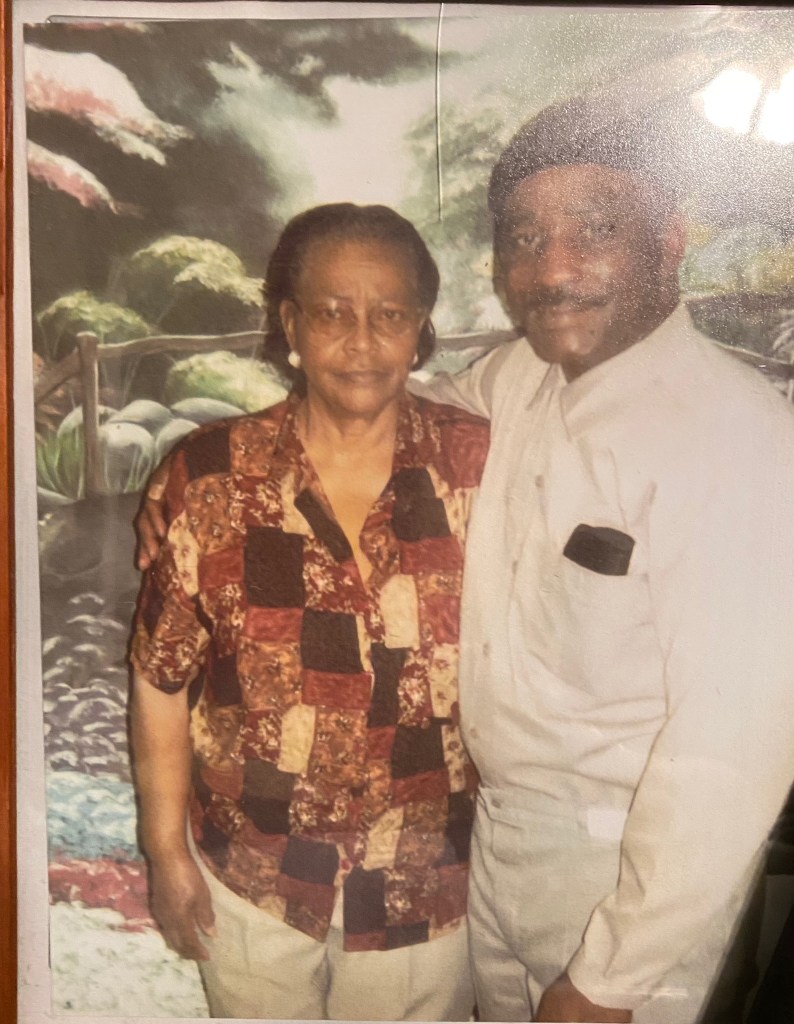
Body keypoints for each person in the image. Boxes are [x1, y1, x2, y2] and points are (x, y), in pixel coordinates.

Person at [136, 101, 794, 1024]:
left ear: (672, 238)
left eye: (596, 230)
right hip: (481, 854)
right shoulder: (519, 381)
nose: (553, 267)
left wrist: (613, 978)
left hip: (624, 867)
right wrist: (193, 476)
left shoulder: (739, 436)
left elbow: (737, 746)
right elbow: (377, 399)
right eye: (525, 238)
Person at [130, 202, 488, 1021]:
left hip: (422, 884)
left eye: (389, 315)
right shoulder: (211, 476)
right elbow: (160, 678)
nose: (361, 342)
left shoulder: (478, 465)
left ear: (421, 329)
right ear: (290, 324)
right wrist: (165, 852)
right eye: (332, 313)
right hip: (252, 879)